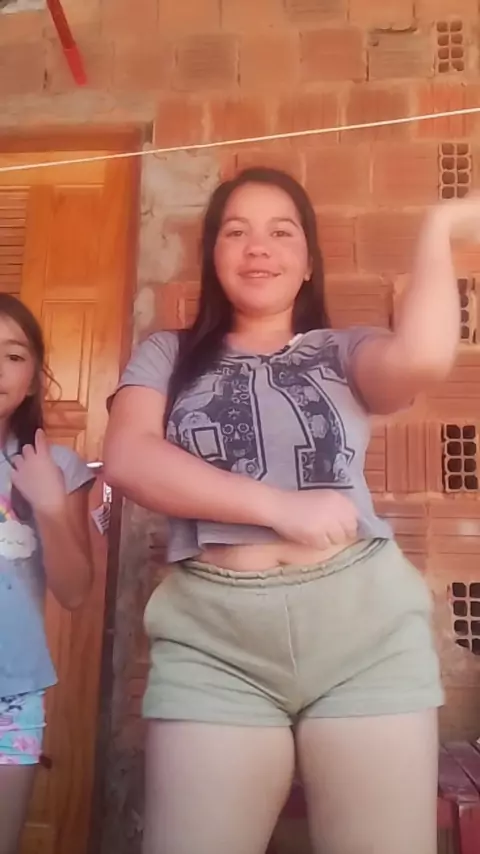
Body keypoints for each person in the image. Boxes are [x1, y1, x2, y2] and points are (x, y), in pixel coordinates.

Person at [104, 166, 475, 854]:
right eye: (235, 232)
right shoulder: (167, 354)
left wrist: (439, 228)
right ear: (213, 256)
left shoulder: (343, 349)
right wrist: (277, 506)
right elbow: (128, 457)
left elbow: (424, 358)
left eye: (282, 232)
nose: (258, 247)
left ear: (307, 262)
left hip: (362, 632)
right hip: (214, 641)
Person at [0, 295, 94, 854]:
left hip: (10, 696)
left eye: (13, 356)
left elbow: (75, 592)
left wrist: (52, 505)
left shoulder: (58, 468)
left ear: (34, 377)